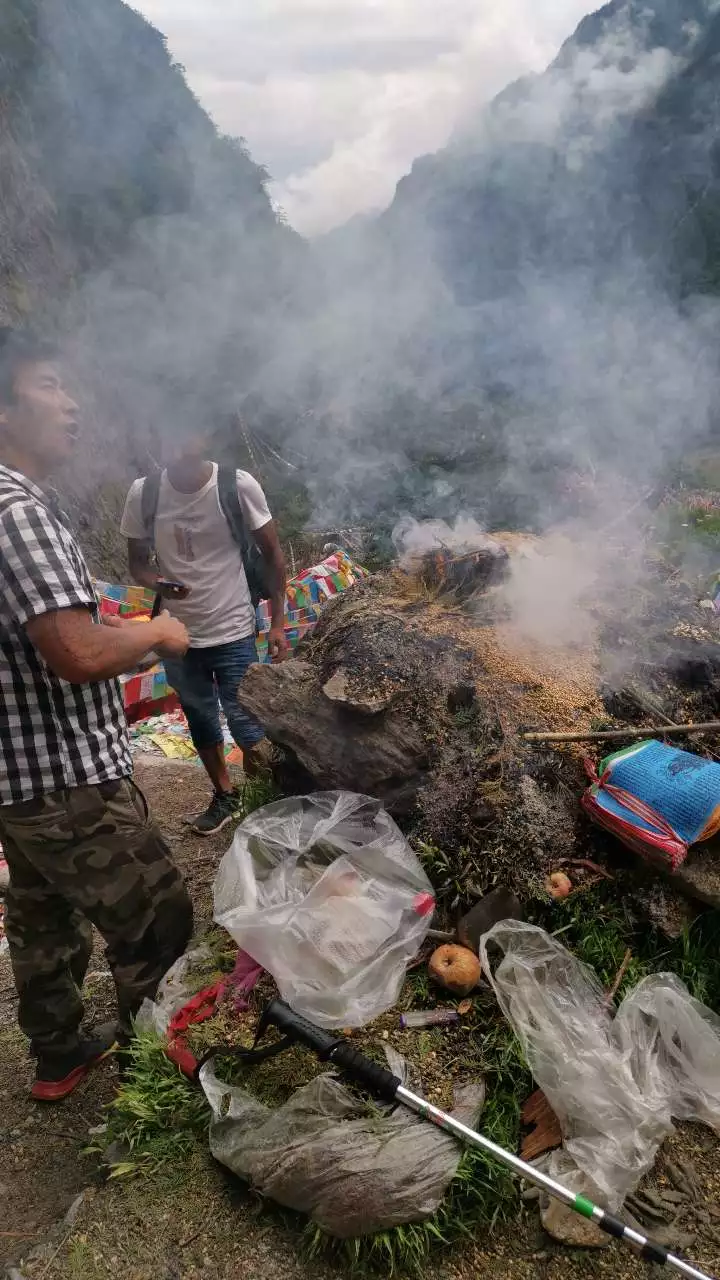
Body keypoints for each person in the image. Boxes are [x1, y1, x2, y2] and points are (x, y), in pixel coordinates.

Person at [0, 328, 193, 1101]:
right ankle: (161, 1081)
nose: (72, 403)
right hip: (68, 780)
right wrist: (158, 632)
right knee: (156, 919)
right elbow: (75, 654)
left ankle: (59, 1054)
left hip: (19, 783)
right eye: (49, 385)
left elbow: (52, 633)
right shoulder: (19, 514)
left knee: (43, 918)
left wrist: (130, 637)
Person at [121, 432, 287, 836]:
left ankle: (267, 806)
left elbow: (273, 554)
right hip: (178, 635)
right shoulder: (145, 494)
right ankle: (225, 795)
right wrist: (158, 585)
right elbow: (137, 564)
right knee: (200, 720)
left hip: (233, 628)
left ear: (206, 436)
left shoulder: (236, 485)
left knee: (248, 725)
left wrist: (279, 624)